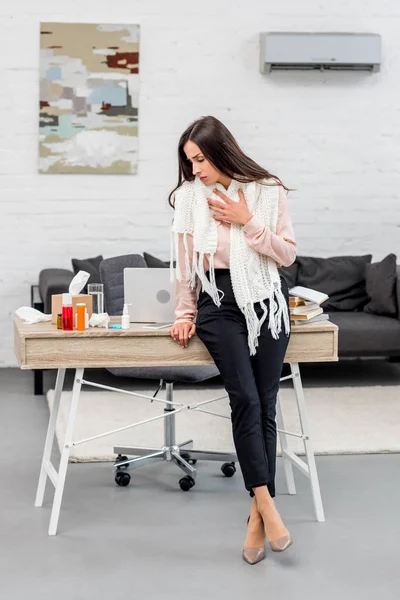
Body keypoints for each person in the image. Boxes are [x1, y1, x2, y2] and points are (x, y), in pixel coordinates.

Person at [169, 116, 297, 565]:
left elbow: (286, 254)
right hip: (219, 302)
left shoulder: (268, 191)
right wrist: (185, 313)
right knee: (244, 396)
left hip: (266, 299)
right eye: (190, 162)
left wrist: (247, 223)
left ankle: (256, 516)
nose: (196, 170)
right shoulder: (190, 200)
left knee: (266, 400)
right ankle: (268, 505)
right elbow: (186, 265)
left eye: (200, 159)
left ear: (221, 151)